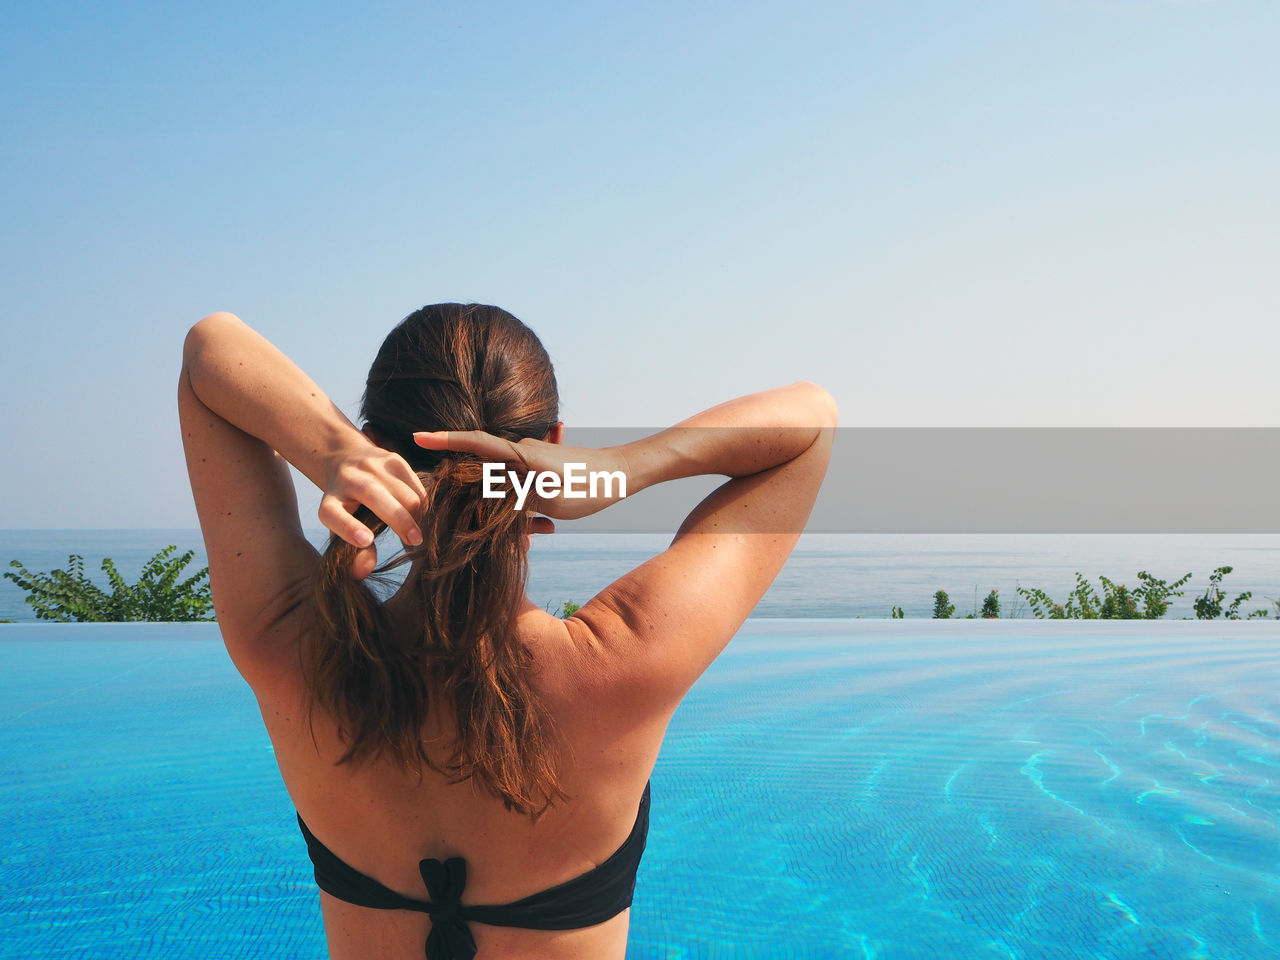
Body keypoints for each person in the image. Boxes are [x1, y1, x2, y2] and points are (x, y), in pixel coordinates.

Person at [178, 304, 836, 960]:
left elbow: (210, 350)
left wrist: (337, 452)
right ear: (554, 442)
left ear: (380, 443)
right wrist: (618, 469)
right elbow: (812, 420)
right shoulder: (629, 658)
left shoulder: (289, 644)